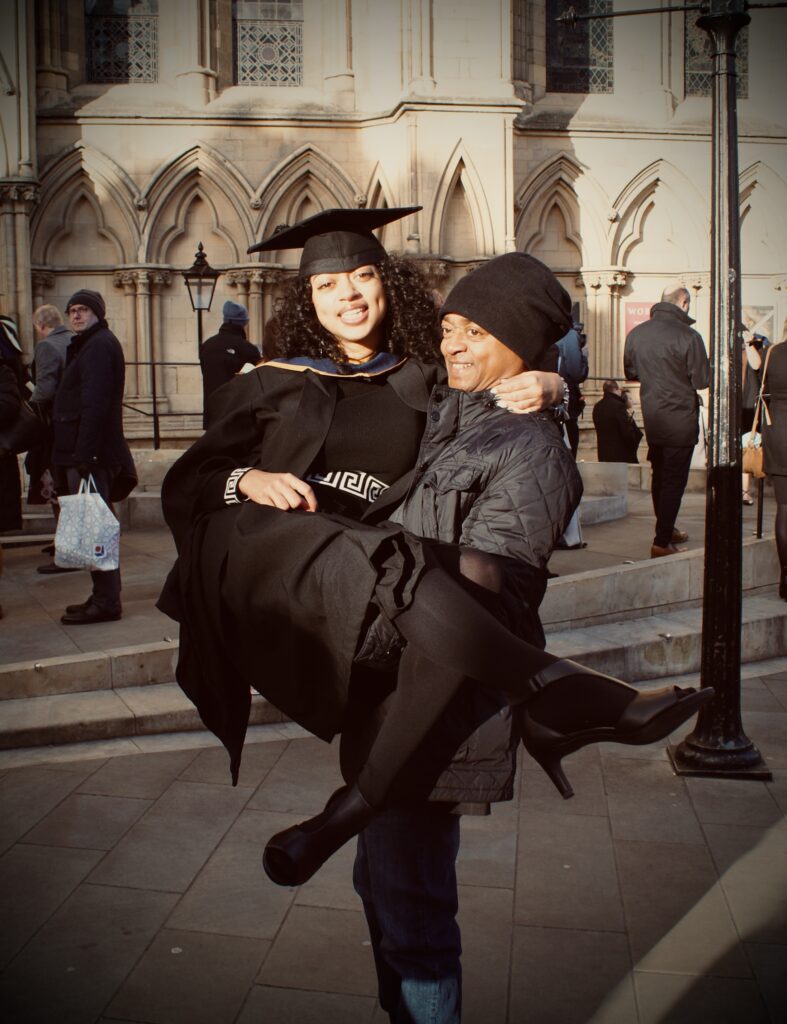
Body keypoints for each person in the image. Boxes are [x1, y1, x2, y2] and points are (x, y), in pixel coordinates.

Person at [51, 289, 137, 624]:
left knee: (97, 529)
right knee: (93, 527)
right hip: (85, 452)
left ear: (97, 313)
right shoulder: (89, 344)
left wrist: (84, 455)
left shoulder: (99, 346)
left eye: (83, 309)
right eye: (71, 310)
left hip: (91, 454)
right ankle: (102, 595)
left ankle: (106, 602)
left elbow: (95, 405)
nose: (75, 315)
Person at [624, 285, 710, 558]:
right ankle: (662, 541)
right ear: (683, 302)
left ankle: (667, 528)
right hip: (680, 418)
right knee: (673, 480)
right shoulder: (689, 336)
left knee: (659, 475)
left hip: (654, 415)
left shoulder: (637, 333)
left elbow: (631, 371)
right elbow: (702, 380)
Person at [27, 305, 71, 561]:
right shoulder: (72, 340)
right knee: (63, 486)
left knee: (54, 486)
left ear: (41, 326)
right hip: (68, 427)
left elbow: (44, 390)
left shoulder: (46, 346)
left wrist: (27, 408)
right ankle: (61, 539)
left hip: (52, 428)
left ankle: (63, 544)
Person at [198, 300, 260, 426]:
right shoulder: (247, 349)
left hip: (213, 414)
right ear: (244, 323)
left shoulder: (207, 346)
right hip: (236, 417)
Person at [761, 335, 787, 600]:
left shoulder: (772, 353)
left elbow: (761, 388)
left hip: (780, 434)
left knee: (784, 507)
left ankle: (785, 577)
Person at [741, 330, 769, 506]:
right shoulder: (756, 353)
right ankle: (744, 491)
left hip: (746, 407)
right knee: (748, 446)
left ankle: (744, 491)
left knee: (747, 446)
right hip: (748, 406)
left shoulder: (748, 352)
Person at [555, 320, 588, 456]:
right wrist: (584, 357)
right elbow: (577, 373)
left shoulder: (548, 330)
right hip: (564, 398)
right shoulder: (570, 335)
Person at [592, 378, 643, 463]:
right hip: (620, 455)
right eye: (620, 389)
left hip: (603, 454)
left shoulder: (597, 406)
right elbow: (627, 433)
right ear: (615, 389)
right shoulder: (618, 406)